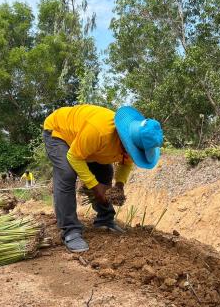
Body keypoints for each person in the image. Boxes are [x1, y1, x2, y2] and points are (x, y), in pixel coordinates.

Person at [43, 104, 163, 252]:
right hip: (59, 132)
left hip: (83, 141)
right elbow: (74, 157)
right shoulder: (100, 131)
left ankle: (105, 219)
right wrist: (95, 186)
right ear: (127, 139)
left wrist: (119, 185)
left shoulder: (135, 140)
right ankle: (70, 230)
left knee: (105, 171)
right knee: (67, 173)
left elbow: (125, 163)